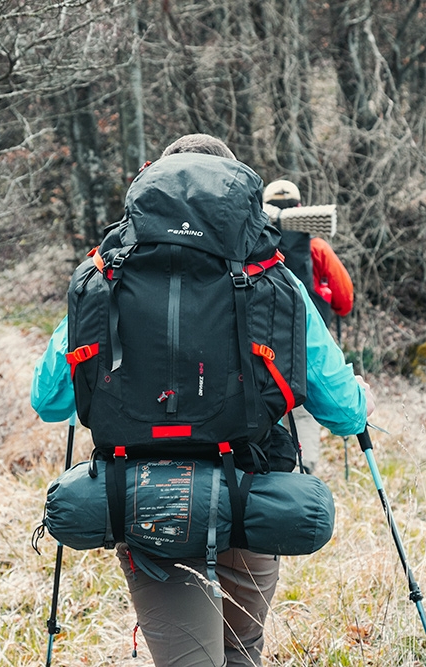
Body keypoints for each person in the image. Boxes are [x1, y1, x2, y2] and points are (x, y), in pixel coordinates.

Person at [31, 134, 374, 667]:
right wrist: (361, 398)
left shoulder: (107, 275)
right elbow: (345, 411)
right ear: (236, 193)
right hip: (251, 491)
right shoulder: (271, 275)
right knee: (242, 655)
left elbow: (49, 401)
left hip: (145, 501)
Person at [263, 179, 355, 475]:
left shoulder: (253, 249)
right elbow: (345, 300)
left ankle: (275, 474)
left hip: (262, 351)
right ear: (301, 208)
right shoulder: (317, 248)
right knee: (302, 413)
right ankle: (305, 472)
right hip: (304, 350)